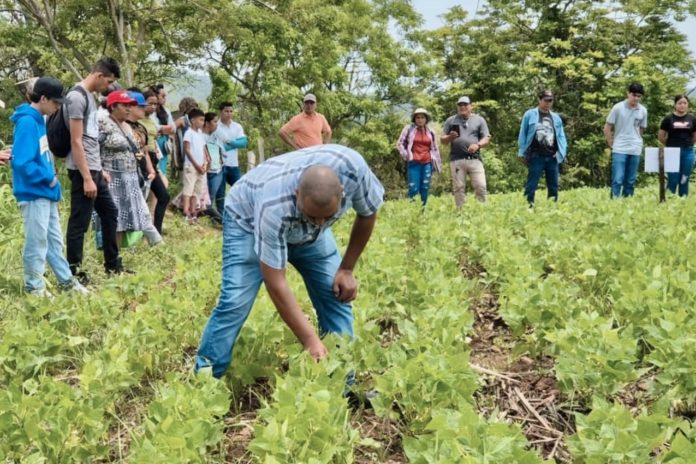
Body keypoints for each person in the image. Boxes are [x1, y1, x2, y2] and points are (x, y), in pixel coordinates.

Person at [195, 144, 384, 379]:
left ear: (343, 192)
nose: (318, 223)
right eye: (312, 216)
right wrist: (309, 340)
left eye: (327, 217)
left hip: (306, 233)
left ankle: (342, 382)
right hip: (247, 221)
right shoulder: (274, 206)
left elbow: (368, 212)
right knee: (235, 302)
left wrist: (346, 269)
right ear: (297, 195)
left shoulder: (354, 170)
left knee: (335, 294)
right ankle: (205, 381)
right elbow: (275, 282)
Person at [10, 77, 89, 296]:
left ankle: (67, 282)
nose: (57, 107)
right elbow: (22, 162)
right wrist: (48, 178)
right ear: (43, 98)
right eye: (55, 102)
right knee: (37, 241)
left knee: (54, 241)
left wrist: (52, 184)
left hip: (46, 192)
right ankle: (34, 287)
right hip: (34, 192)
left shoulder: (39, 120)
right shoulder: (27, 122)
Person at [64, 57, 127, 281]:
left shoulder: (89, 98)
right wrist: (87, 178)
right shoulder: (76, 97)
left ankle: (112, 264)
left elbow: (91, 139)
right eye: (108, 82)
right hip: (84, 172)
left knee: (110, 212)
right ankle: (73, 272)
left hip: (94, 169)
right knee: (79, 223)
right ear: (99, 76)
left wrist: (99, 170)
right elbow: (76, 141)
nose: (108, 87)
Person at [98, 90, 162, 247]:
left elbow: (139, 150)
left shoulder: (127, 126)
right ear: (112, 106)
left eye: (130, 106)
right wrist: (100, 170)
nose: (128, 109)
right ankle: (112, 257)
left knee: (126, 219)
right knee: (115, 218)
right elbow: (93, 149)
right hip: (112, 177)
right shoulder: (103, 123)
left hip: (131, 176)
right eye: (124, 105)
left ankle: (118, 255)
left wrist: (148, 169)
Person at [518, 90, 568, 207]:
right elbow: (523, 134)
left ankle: (552, 207)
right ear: (539, 100)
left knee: (553, 185)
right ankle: (528, 206)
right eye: (546, 100)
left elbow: (561, 136)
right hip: (536, 155)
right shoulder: (530, 114)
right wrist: (522, 152)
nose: (548, 103)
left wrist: (561, 152)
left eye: (550, 101)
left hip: (552, 156)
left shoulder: (556, 118)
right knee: (532, 183)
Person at [441, 97, 491, 206]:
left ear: (471, 106)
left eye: (465, 104)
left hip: (475, 159)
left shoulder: (479, 120)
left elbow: (486, 138)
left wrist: (478, 145)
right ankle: (460, 212)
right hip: (457, 159)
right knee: (458, 188)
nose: (462, 107)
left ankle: (482, 209)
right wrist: (449, 137)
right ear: (457, 107)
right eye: (460, 105)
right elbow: (442, 140)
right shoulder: (451, 120)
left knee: (480, 186)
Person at [604, 83, 647, 199]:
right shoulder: (618, 107)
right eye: (634, 95)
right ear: (628, 93)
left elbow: (641, 129)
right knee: (618, 178)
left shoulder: (643, 110)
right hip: (620, 148)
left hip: (635, 148)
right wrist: (611, 143)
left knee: (631, 179)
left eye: (639, 96)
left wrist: (638, 141)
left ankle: (627, 202)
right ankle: (614, 202)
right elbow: (607, 127)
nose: (636, 98)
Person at [138, 89, 171, 233]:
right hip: (140, 161)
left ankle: (156, 229)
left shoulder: (151, 120)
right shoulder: (135, 120)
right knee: (139, 198)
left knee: (163, 196)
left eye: (155, 104)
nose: (153, 107)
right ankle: (137, 231)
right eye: (150, 103)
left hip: (153, 160)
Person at [396, 107, 442, 206]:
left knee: (425, 187)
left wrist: (438, 163)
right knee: (413, 187)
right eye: (418, 118)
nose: (420, 120)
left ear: (426, 119)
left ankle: (422, 210)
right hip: (414, 162)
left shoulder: (430, 131)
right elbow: (400, 144)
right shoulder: (409, 129)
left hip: (427, 163)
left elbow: (435, 148)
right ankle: (413, 210)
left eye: (422, 117)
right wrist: (407, 156)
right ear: (414, 119)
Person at [658, 95, 696, 197]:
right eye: (679, 103)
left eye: (685, 103)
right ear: (675, 105)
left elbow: (694, 136)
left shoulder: (692, 119)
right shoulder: (668, 119)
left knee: (684, 178)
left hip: (688, 152)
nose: (682, 105)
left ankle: (683, 200)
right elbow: (661, 136)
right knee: (673, 179)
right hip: (672, 152)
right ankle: (669, 200)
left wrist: (688, 144)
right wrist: (670, 145)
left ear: (688, 105)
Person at [182, 108, 210, 223]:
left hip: (201, 166)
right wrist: (196, 165)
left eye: (203, 120)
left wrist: (205, 161)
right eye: (201, 120)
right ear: (193, 120)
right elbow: (187, 150)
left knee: (196, 190)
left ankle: (193, 211)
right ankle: (186, 211)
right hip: (191, 165)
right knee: (188, 188)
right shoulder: (189, 133)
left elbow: (203, 149)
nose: (202, 122)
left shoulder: (200, 134)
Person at [214, 101, 247, 188]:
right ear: (220, 111)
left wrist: (228, 142)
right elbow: (215, 148)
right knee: (220, 196)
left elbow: (243, 143)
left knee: (239, 190)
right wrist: (236, 143)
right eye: (226, 111)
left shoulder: (237, 126)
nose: (229, 114)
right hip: (219, 166)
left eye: (231, 111)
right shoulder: (215, 126)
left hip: (234, 165)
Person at [151, 84, 176, 177]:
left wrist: (161, 129)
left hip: (163, 144)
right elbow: (152, 126)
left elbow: (173, 128)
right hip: (153, 143)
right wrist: (163, 128)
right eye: (163, 96)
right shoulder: (150, 110)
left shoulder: (166, 110)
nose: (165, 98)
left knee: (162, 170)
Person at [203, 111, 225, 219]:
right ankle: (221, 221)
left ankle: (215, 219)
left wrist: (221, 160)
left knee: (210, 199)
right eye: (215, 122)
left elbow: (222, 151)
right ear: (207, 123)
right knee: (205, 201)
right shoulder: (200, 136)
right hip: (204, 172)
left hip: (217, 172)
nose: (217, 124)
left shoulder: (217, 137)